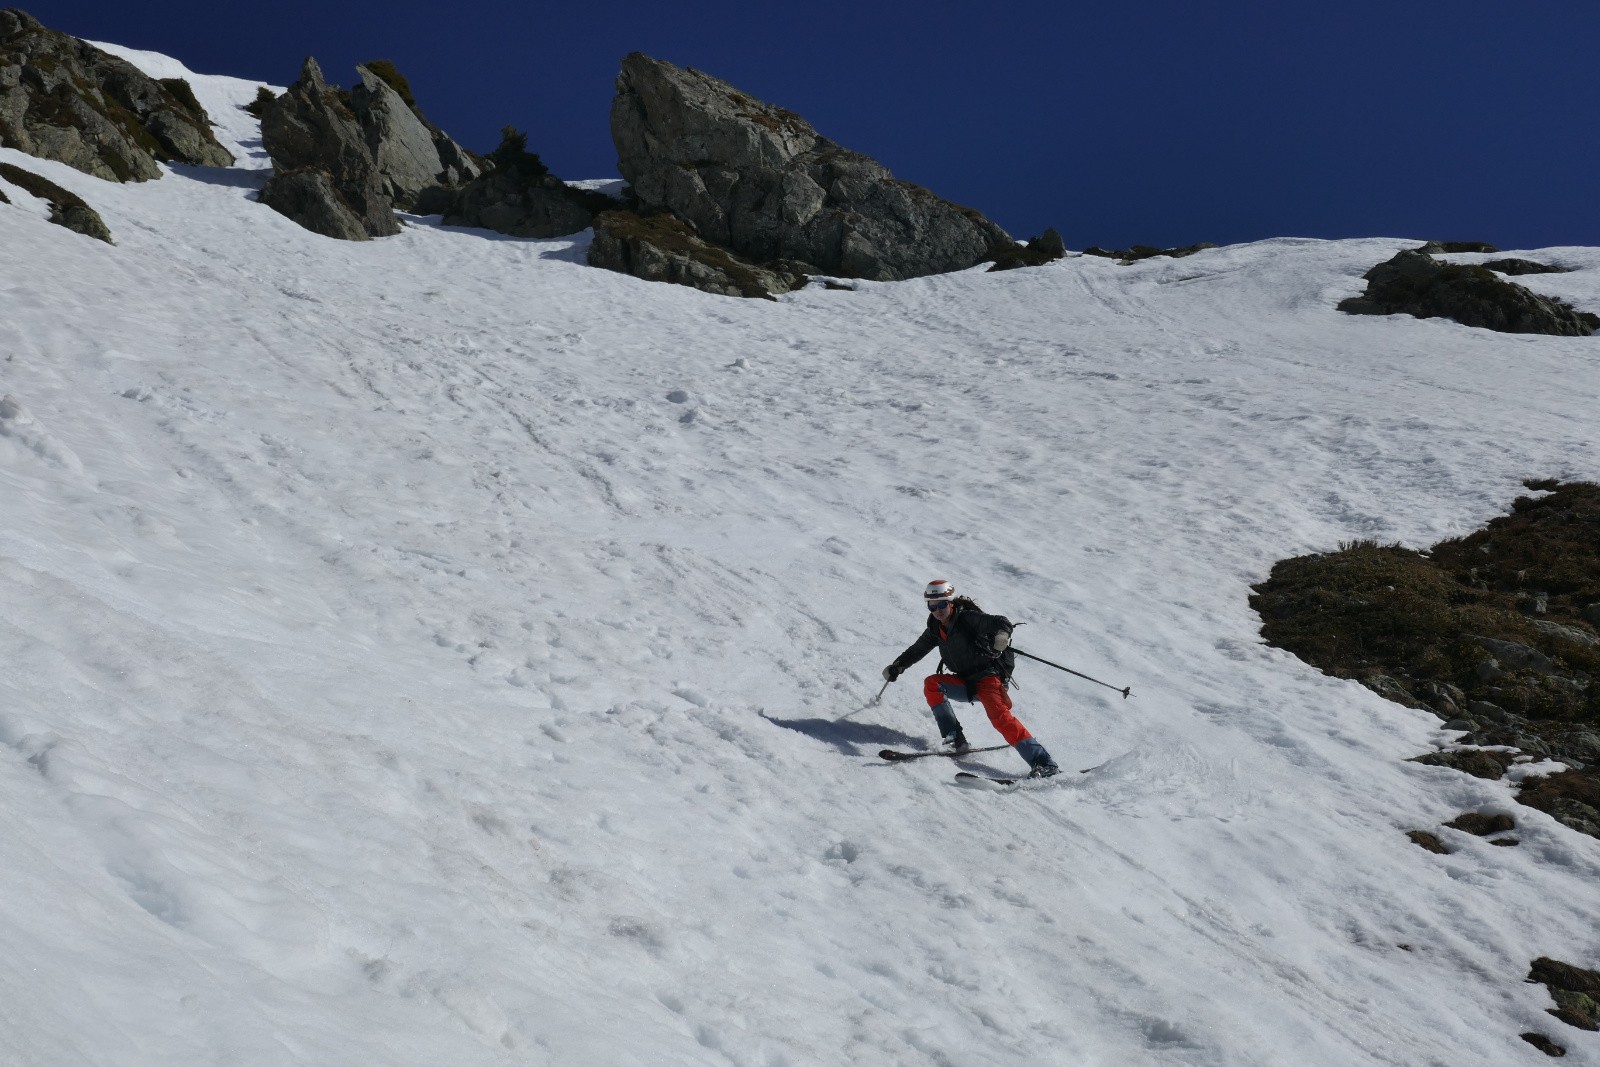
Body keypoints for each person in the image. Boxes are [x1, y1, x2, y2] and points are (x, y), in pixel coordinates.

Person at [882, 579, 1061, 778]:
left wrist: (1002, 636)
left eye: (942, 604)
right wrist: (898, 665)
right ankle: (956, 739)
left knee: (1000, 718)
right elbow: (919, 648)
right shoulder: (936, 626)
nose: (937, 610)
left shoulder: (967, 618)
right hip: (965, 681)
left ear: (950, 602)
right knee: (932, 684)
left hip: (988, 679)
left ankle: (1044, 763)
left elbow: (1002, 622)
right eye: (932, 606)